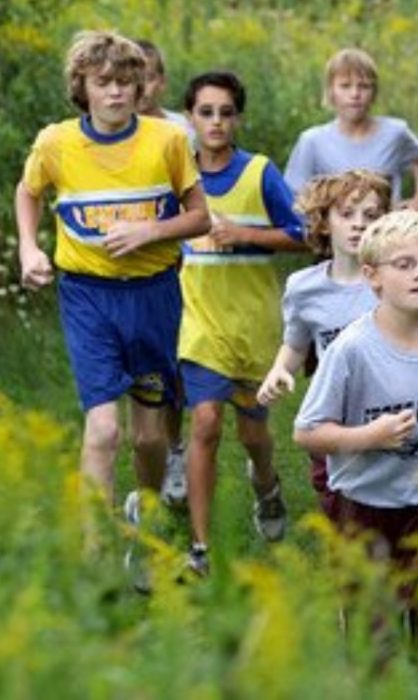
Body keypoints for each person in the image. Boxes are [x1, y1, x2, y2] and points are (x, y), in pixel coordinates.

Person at [15, 31, 209, 511]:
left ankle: (145, 514)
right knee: (103, 429)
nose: (117, 92)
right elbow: (28, 190)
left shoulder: (167, 140)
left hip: (154, 294)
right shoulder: (56, 143)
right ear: (82, 86)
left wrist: (151, 231)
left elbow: (200, 217)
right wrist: (27, 250)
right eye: (104, 82)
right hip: (88, 295)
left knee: (147, 438)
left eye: (126, 81)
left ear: (141, 86)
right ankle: (93, 553)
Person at [294, 209, 418, 634]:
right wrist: (371, 436)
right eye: (403, 265)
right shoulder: (352, 349)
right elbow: (306, 432)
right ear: (373, 276)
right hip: (366, 504)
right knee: (374, 631)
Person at [179, 70, 305, 575]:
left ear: (238, 118)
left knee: (254, 435)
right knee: (205, 423)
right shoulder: (177, 173)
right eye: (205, 112)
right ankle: (201, 548)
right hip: (200, 324)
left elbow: (304, 234)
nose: (215, 122)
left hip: (254, 326)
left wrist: (247, 236)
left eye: (225, 113)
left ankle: (267, 486)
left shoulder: (259, 172)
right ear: (190, 117)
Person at [257, 169, 392, 515]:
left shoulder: (396, 282)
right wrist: (279, 370)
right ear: (324, 222)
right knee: (342, 514)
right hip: (332, 419)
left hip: (391, 412)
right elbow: (297, 343)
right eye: (347, 214)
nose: (359, 224)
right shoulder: (304, 287)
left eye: (371, 215)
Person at [135, 37, 193, 508]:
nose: (142, 86)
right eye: (133, 77)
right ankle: (146, 443)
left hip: (180, 264)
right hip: (125, 272)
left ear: (162, 80)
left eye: (150, 75)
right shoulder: (102, 132)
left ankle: (174, 449)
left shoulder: (180, 130)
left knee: (172, 366)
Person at [284, 48, 418, 210]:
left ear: (374, 92)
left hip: (386, 232)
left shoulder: (394, 132)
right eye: (345, 86)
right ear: (331, 91)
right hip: (335, 234)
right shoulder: (312, 141)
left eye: (364, 86)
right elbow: (293, 195)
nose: (355, 94)